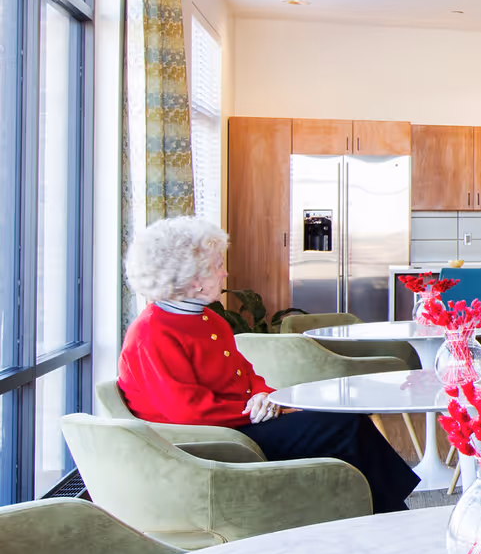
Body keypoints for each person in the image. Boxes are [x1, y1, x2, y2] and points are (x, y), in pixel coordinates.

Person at [116, 216, 419, 513]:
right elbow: (188, 412)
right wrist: (260, 410)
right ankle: (394, 512)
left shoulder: (209, 320)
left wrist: (265, 396)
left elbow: (246, 374)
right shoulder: (152, 333)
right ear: (192, 280)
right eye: (217, 266)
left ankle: (384, 511)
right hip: (213, 443)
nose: (225, 274)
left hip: (239, 425)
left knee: (342, 426)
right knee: (345, 427)